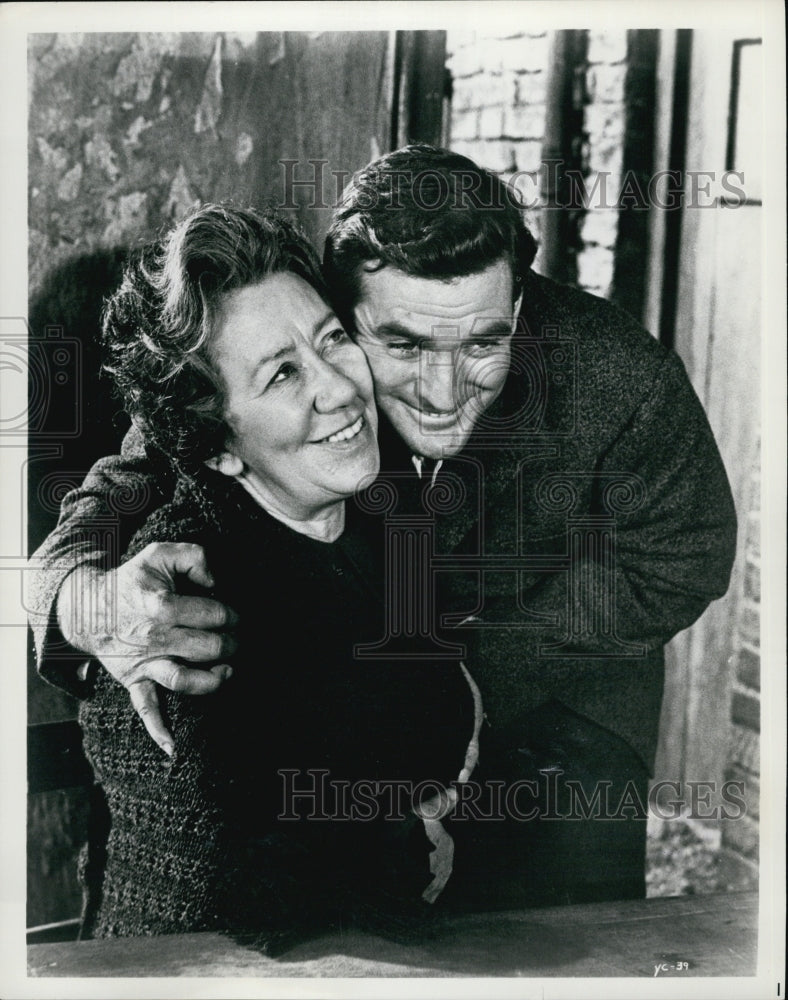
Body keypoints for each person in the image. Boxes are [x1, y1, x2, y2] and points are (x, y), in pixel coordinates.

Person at [29, 145, 737, 911]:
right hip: (358, 698)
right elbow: (134, 475)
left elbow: (685, 553)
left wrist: (470, 667)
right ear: (343, 305)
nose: (442, 392)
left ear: (518, 306)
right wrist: (77, 600)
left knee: (561, 943)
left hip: (563, 708)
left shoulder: (625, 375)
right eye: (401, 344)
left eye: (483, 343)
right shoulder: (303, 326)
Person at [65, 204, 480, 950]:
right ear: (218, 446)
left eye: (332, 340)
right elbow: (243, 883)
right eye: (283, 374)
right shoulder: (177, 596)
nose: (340, 388)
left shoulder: (374, 507)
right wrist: (403, 837)